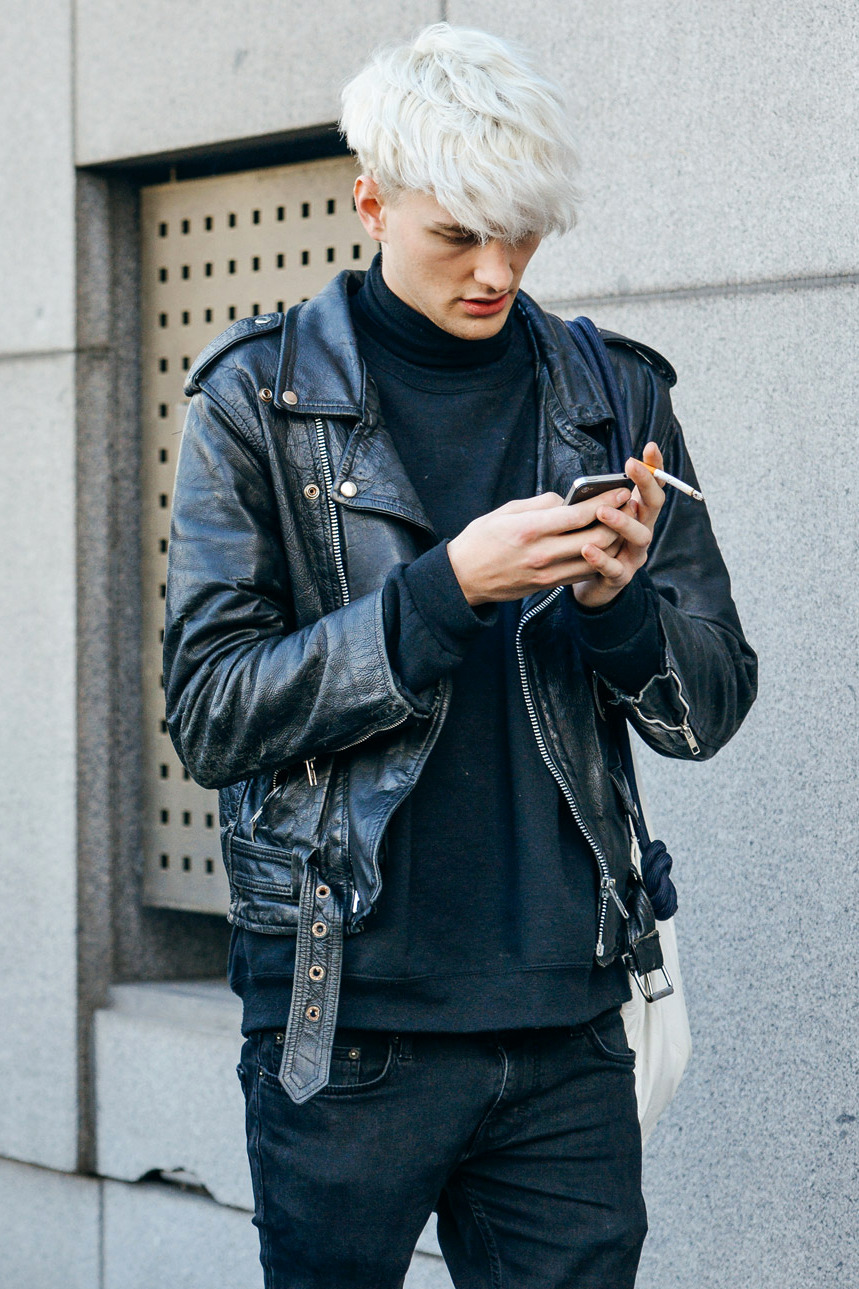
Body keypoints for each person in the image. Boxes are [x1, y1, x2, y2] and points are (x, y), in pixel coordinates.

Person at [163, 22, 757, 1289]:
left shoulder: (614, 395)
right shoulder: (254, 404)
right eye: (457, 234)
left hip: (570, 1028)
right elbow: (211, 712)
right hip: (345, 1023)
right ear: (368, 196)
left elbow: (708, 707)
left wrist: (621, 607)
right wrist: (442, 592)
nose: (496, 270)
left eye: (522, 234)